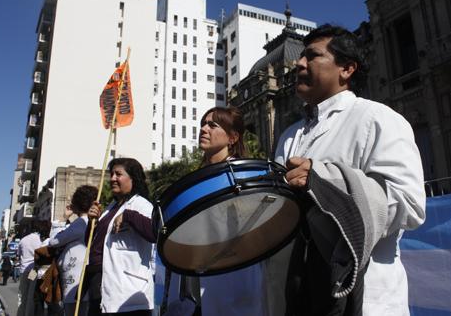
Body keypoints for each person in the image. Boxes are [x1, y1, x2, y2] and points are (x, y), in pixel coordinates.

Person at [270, 24, 426, 315]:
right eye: (301, 57)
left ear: (346, 69)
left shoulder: (377, 118)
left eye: (312, 56)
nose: (299, 64)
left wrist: (323, 184)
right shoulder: (288, 136)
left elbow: (410, 204)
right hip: (300, 296)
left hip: (363, 298)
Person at [164, 106, 266, 316]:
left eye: (213, 125)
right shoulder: (200, 178)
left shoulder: (243, 174)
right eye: (203, 123)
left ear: (233, 137)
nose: (203, 129)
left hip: (237, 275)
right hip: (202, 274)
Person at [86, 158, 155, 315]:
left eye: (118, 174)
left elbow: (154, 232)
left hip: (127, 291)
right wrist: (92, 223)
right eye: (111, 174)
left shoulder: (141, 204)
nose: (112, 179)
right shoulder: (110, 209)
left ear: (133, 178)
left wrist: (129, 216)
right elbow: (91, 244)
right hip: (100, 283)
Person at [48, 185, 97, 316]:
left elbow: (53, 241)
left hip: (75, 280)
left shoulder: (81, 222)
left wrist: (63, 219)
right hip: (83, 279)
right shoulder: (92, 222)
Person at [17, 221, 43, 316]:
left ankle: (20, 313)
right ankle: (28, 314)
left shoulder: (23, 240)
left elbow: (19, 255)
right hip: (33, 270)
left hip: (23, 270)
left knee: (22, 294)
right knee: (30, 295)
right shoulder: (39, 240)